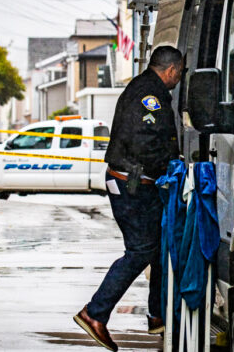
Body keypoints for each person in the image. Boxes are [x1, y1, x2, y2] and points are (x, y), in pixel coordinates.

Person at [74, 46, 183, 352]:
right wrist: (173, 164)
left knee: (159, 247)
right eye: (180, 72)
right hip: (131, 185)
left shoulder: (144, 88)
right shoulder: (148, 95)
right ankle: (95, 313)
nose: (179, 78)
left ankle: (157, 314)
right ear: (173, 69)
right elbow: (145, 143)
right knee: (140, 250)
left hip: (134, 183)